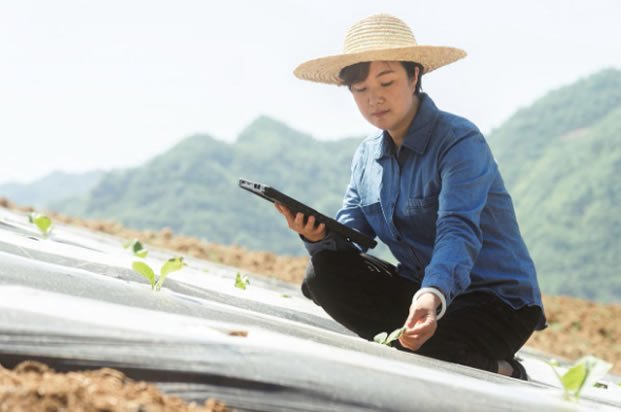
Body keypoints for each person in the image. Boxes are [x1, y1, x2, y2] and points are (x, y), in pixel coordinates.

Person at [275, 13, 546, 380]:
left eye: (386, 82)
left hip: (494, 301)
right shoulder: (367, 156)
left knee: (422, 347)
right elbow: (352, 235)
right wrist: (316, 236)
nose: (375, 99)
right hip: (420, 293)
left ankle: (504, 369)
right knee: (322, 275)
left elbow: (457, 229)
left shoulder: (459, 142)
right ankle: (422, 342)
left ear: (414, 75)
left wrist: (431, 294)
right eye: (361, 90)